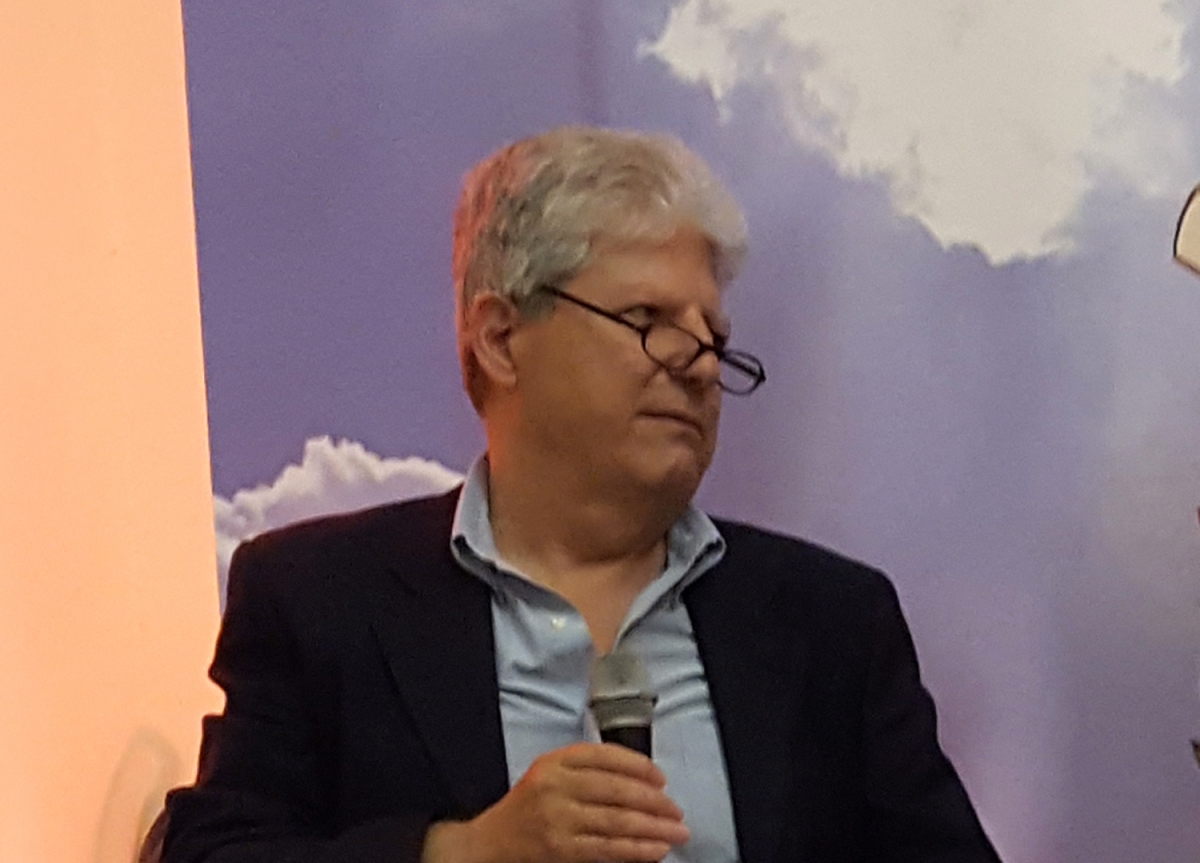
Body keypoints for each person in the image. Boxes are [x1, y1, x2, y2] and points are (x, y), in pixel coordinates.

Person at [159, 126, 1001, 863]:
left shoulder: (831, 622)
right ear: (500, 339)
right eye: (648, 319)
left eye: (714, 336)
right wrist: (463, 852)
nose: (699, 364)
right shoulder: (322, 600)